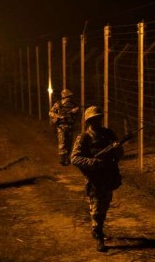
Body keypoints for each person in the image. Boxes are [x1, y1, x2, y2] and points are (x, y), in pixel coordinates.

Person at [71, 106, 123, 252]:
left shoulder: (108, 134)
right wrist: (94, 163)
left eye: (99, 118)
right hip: (95, 178)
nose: (97, 121)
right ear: (88, 121)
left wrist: (117, 150)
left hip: (109, 176)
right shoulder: (84, 138)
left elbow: (120, 155)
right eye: (94, 119)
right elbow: (75, 159)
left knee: (104, 206)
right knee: (97, 209)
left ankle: (98, 227)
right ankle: (98, 234)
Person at [49, 89, 80, 165]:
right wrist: (58, 116)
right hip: (61, 126)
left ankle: (67, 158)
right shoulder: (58, 104)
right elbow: (50, 112)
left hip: (70, 126)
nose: (69, 98)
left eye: (69, 97)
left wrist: (74, 111)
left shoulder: (74, 105)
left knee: (69, 143)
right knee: (62, 142)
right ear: (64, 97)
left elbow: (78, 112)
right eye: (68, 96)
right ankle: (62, 159)